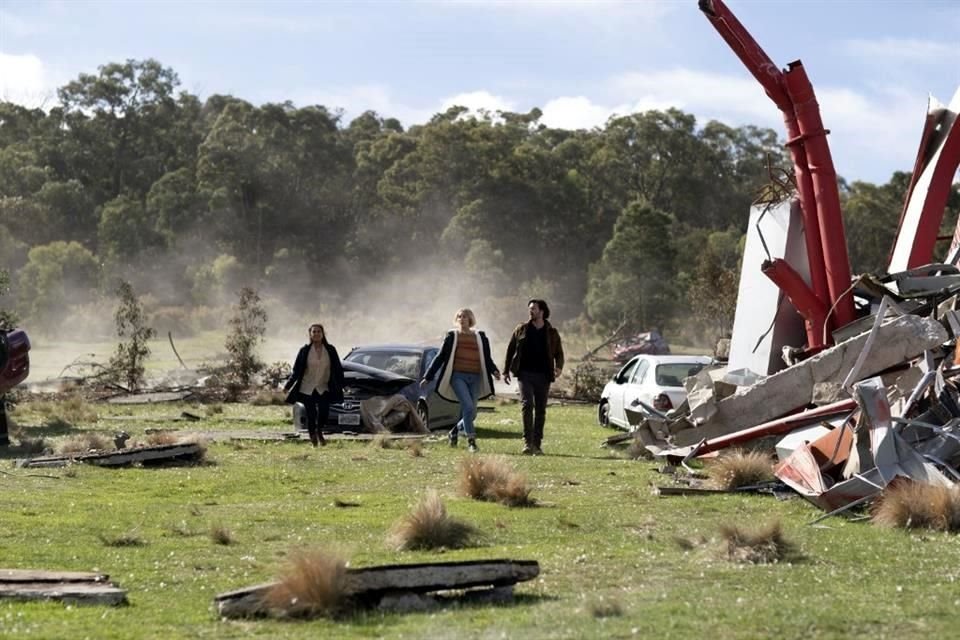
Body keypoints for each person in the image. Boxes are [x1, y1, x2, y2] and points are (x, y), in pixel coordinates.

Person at [421, 308, 500, 453]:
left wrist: (494, 370)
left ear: (470, 319)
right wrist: (428, 376)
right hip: (458, 377)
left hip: (475, 377)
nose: (462, 319)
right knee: (468, 407)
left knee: (471, 412)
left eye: (465, 316)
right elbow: (440, 357)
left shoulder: (480, 337)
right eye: (459, 316)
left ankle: (453, 432)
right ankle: (471, 442)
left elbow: (487, 358)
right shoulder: (452, 336)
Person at [503, 299, 564, 455]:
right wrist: (505, 371)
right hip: (525, 374)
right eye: (529, 309)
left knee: (541, 409)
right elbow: (510, 350)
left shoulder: (552, 332)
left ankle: (537, 444)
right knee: (527, 404)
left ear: (542, 311)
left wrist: (558, 367)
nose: (531, 311)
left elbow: (559, 353)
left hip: (544, 375)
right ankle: (527, 442)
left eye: (534, 309)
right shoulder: (521, 329)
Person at [284, 323, 345, 447]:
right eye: (314, 332)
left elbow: (338, 369)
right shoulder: (304, 351)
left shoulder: (330, 350)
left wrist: (342, 384)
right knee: (311, 414)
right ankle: (313, 439)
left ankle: (319, 430)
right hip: (307, 387)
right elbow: (296, 371)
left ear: (323, 334)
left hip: (323, 387)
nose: (316, 334)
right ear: (310, 335)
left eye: (319, 332)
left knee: (324, 411)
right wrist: (287, 386)